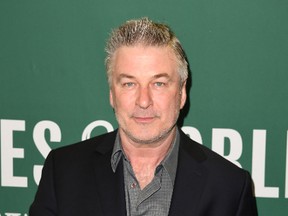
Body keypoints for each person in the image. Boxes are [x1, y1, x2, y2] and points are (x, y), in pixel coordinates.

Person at [29, 17, 258, 216]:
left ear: (181, 93)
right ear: (112, 94)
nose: (144, 101)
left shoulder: (229, 187)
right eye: (129, 83)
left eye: (158, 83)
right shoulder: (63, 172)